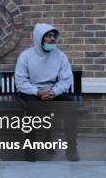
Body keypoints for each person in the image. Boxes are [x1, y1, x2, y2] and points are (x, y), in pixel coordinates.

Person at [14, 23, 79, 161]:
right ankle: (30, 150)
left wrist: (54, 92)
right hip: (32, 91)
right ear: (39, 38)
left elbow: (66, 79)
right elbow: (20, 81)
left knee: (69, 106)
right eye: (48, 36)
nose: (52, 39)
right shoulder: (26, 56)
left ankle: (72, 149)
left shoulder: (60, 56)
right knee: (32, 109)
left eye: (53, 36)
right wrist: (37, 92)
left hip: (52, 91)